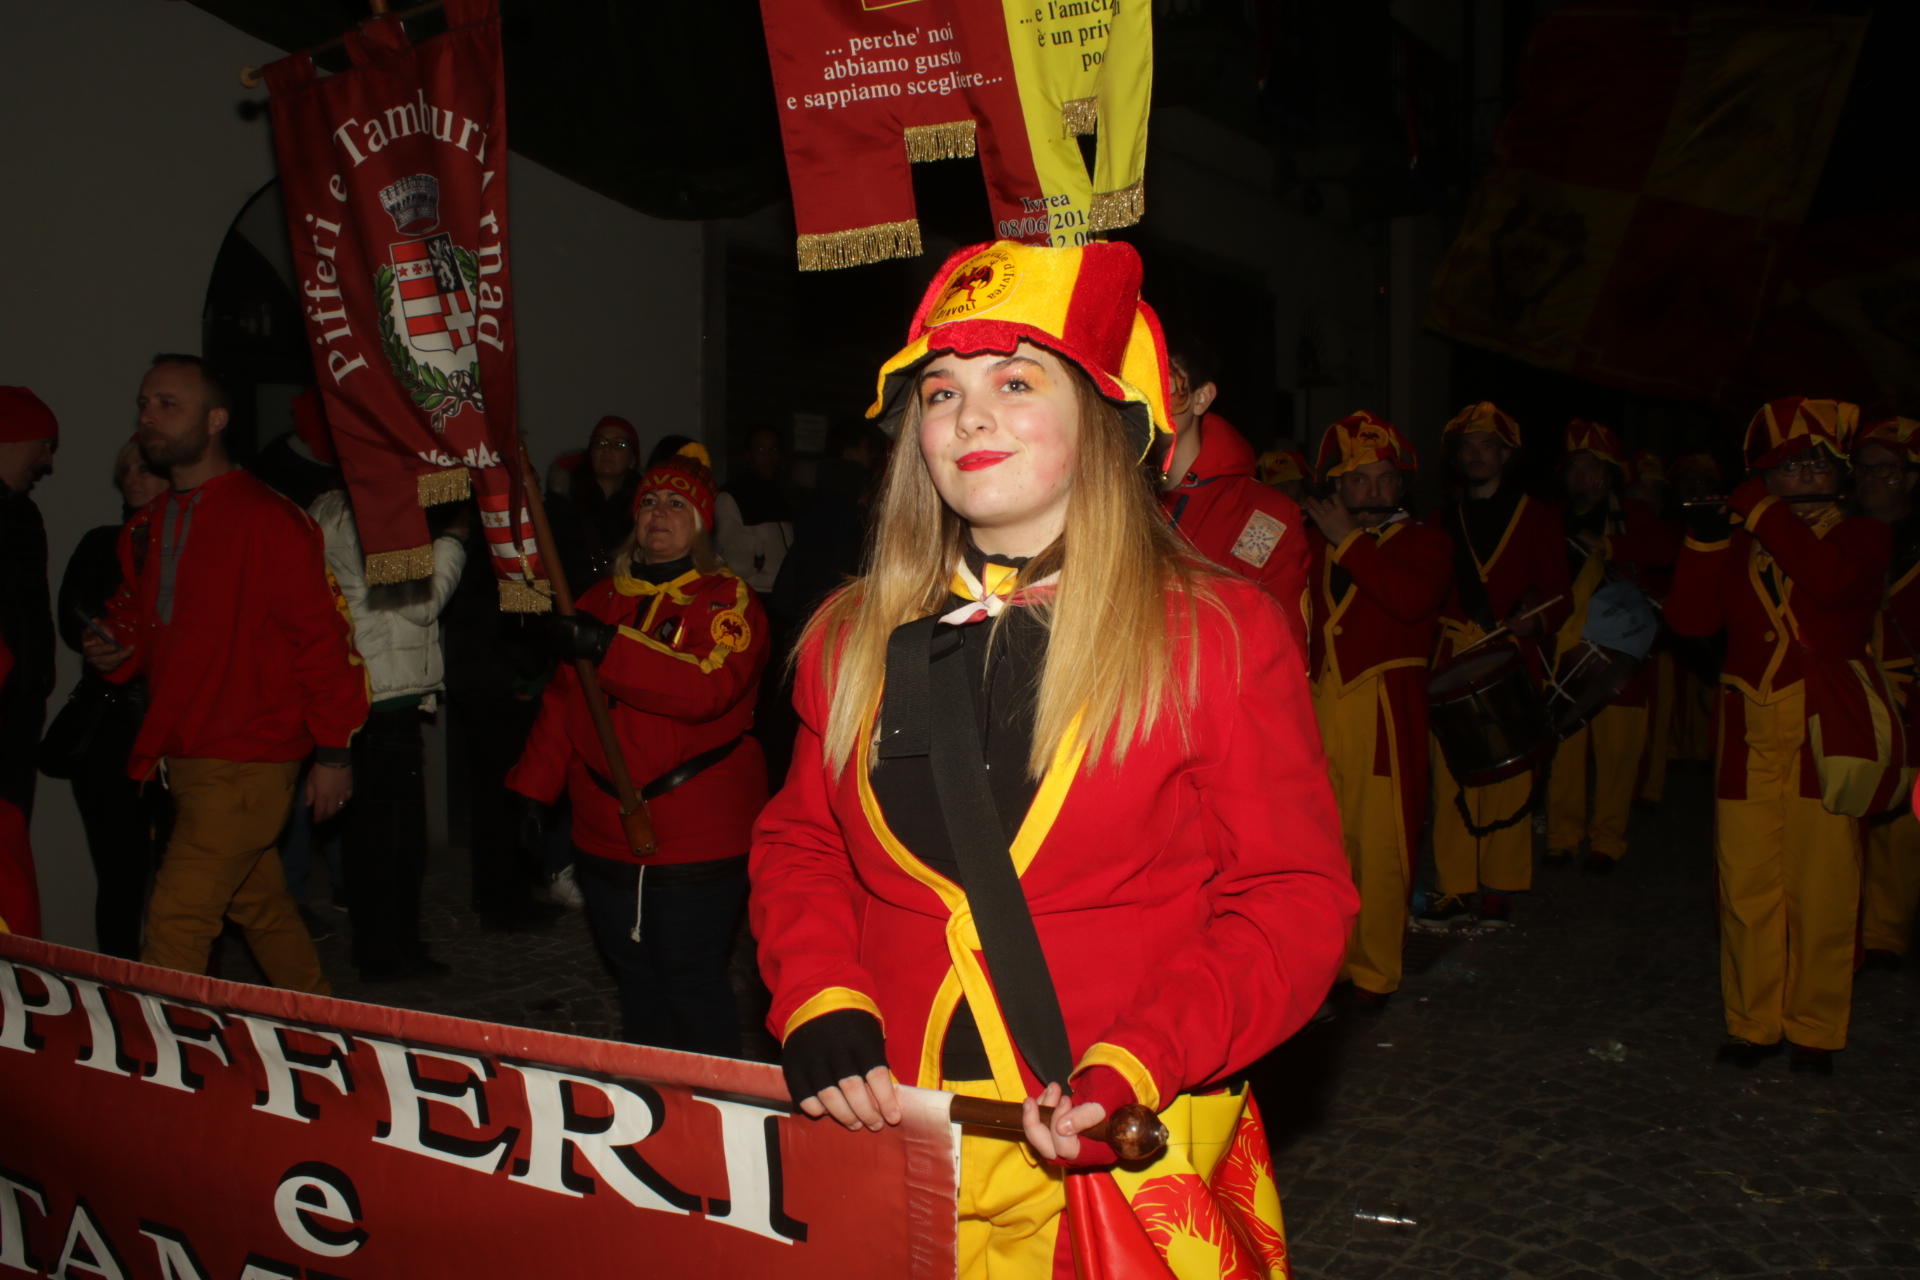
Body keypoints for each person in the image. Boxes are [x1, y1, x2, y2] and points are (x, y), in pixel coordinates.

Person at [751, 241, 1354, 1277]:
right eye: (942, 392)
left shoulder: (1215, 634)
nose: (967, 417)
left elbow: (1292, 898)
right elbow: (803, 841)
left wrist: (1141, 1058)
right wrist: (819, 995)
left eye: (1016, 382)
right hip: (902, 1139)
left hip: (1113, 1154)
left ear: (1106, 422)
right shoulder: (850, 637)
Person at [82, 355, 367, 992]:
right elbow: (143, 620)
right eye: (144, 402)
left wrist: (334, 753)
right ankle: (316, 1026)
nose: (148, 416)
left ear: (215, 420)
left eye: (167, 404)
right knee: (259, 906)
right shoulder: (149, 525)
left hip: (247, 758)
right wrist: (114, 644)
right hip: (185, 752)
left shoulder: (270, 519)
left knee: (175, 923)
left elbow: (325, 642)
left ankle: (158, 1051)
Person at [509, 442, 769, 1056]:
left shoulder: (726, 599)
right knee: (636, 977)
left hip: (695, 831)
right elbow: (563, 703)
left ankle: (712, 1099)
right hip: (601, 828)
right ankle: (650, 1093)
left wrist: (608, 647)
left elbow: (707, 686)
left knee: (689, 978)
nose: (659, 513)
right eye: (650, 502)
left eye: (677, 504)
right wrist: (532, 790)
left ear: (701, 523)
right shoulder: (597, 600)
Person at [1668, 398, 1888, 1075]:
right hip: (1745, 724)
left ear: (1841, 474)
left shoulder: (1864, 536)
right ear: (1766, 474)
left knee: (1823, 884)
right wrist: (1705, 538)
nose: (1805, 474)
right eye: (1789, 466)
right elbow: (1689, 621)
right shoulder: (1744, 536)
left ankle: (1815, 1027)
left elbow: (1830, 583)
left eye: (1818, 463)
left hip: (1824, 723)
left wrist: (1761, 511)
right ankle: (1753, 1023)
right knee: (1745, 882)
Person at [1301, 412, 1450, 1010]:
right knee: (1324, 845)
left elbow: (1409, 600)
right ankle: (1330, 963)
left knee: (1382, 845)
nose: (1373, 490)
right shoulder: (1313, 539)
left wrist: (1349, 540)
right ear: (1336, 485)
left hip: (1384, 709)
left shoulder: (1426, 541)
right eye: (1358, 479)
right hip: (1318, 703)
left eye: (1385, 478)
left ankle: (1375, 970)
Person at [1422, 402, 1571, 932]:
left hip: (1508, 657)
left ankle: (1501, 886)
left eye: (1487, 446)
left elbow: (1560, 595)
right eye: (1468, 447)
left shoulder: (1539, 517)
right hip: (1451, 658)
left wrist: (1537, 621)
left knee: (1509, 778)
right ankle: (1455, 884)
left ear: (1506, 455)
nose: (1476, 455)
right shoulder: (1440, 520)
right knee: (1452, 777)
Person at [309, 484, 467, 981]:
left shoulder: (330, 505)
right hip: (383, 696)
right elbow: (420, 601)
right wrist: (454, 538)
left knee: (373, 840)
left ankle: (382, 947)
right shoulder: (375, 510)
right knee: (393, 843)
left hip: (365, 689)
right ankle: (390, 954)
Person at [54, 437, 172, 959]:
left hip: (181, 729)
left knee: (186, 879)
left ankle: (190, 988)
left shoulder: (201, 544)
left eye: (143, 469)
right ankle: (120, 989)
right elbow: (73, 615)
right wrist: (99, 636)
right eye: (125, 470)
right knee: (121, 875)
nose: (130, 480)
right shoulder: (103, 542)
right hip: (112, 729)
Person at [1544, 421, 1679, 873]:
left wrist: (1610, 545)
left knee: (1619, 755)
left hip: (1621, 659)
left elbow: (1671, 549)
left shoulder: (1633, 515)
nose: (1580, 477)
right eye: (1573, 468)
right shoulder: (1551, 518)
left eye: (1590, 468)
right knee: (1564, 751)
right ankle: (1562, 836)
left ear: (1609, 474)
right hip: (1567, 655)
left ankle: (1608, 838)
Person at [1157, 338, 1311, 657]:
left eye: (1163, 384)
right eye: (1136, 383)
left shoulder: (1265, 515)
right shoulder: (1103, 502)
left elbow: (1284, 655)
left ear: (1201, 397)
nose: (1147, 399)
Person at [1853, 416, 1920, 971]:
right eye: (1865, 468)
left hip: (1910, 690)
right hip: (1846, 683)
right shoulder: (1834, 532)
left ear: (1911, 478)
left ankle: (1885, 930)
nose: (1872, 478)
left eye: (1887, 469)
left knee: (1901, 815)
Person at [0, 387, 58, 820]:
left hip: (18, 704)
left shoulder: (23, 513)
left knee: (11, 823)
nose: (47, 460)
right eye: (44, 444)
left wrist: (35, 680)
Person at [769, 421, 877, 627]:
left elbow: (784, 596)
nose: (872, 455)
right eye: (867, 448)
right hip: (842, 631)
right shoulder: (860, 527)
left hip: (806, 630)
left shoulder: (808, 517)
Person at [548, 416, 642, 592]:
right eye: (600, 442)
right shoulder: (561, 506)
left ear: (632, 460)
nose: (607, 449)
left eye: (619, 444)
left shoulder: (643, 511)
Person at [715, 426, 797, 593]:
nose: (768, 455)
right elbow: (721, 552)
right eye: (760, 449)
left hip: (782, 593)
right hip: (749, 592)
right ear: (748, 455)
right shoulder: (732, 496)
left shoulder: (782, 495)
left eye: (774, 448)